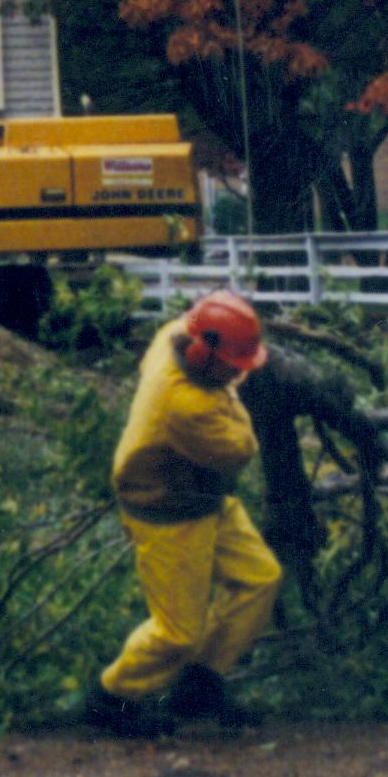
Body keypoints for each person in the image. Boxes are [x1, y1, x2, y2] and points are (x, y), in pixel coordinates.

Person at [90, 291, 281, 738]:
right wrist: (231, 396)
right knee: (176, 631)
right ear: (201, 353)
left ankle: (201, 684)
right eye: (234, 363)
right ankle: (113, 697)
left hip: (202, 497)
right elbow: (241, 450)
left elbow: (180, 323)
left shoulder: (172, 337)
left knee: (260, 578)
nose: (240, 372)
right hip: (168, 510)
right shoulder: (186, 407)